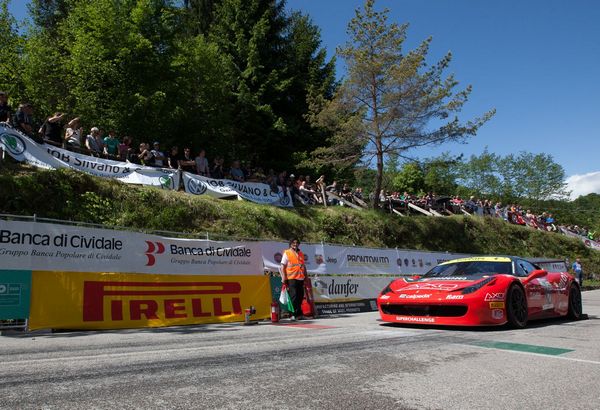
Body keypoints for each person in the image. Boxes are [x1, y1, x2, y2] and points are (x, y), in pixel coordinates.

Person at [279, 238, 307, 321]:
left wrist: (306, 277)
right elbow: (282, 266)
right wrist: (283, 277)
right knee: (293, 297)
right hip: (291, 278)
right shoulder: (287, 253)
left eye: (297, 242)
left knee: (300, 296)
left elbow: (303, 266)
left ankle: (299, 314)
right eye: (293, 242)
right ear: (290, 244)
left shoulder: (301, 253)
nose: (295, 244)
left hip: (300, 278)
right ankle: (292, 315)